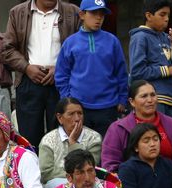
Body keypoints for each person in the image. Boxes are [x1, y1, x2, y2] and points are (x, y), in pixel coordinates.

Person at [1, 0, 80, 150]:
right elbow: (7, 49)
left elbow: (80, 47)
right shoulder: (17, 12)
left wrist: (59, 69)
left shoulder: (72, 12)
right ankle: (31, 170)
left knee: (61, 134)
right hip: (28, 80)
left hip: (61, 83)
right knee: (28, 136)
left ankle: (61, 171)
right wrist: (26, 67)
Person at [54, 0, 128, 139]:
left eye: (102, 14)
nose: (98, 18)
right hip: (79, 107)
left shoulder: (112, 41)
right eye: (94, 13)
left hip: (108, 106)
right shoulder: (70, 42)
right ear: (82, 14)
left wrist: (123, 98)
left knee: (107, 149)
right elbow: (62, 75)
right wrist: (68, 99)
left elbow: (121, 72)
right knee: (80, 149)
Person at [101, 80, 172, 174]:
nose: (150, 100)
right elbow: (110, 164)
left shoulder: (171, 124)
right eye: (144, 96)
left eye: (153, 95)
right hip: (132, 183)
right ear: (132, 102)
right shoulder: (118, 129)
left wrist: (170, 171)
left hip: (171, 180)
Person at [129, 0, 172, 122]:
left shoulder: (167, 38)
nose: (166, 19)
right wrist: (167, 70)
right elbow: (137, 71)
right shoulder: (140, 37)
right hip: (153, 100)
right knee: (156, 138)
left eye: (168, 15)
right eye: (162, 14)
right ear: (148, 16)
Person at [38, 97, 102, 188]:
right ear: (60, 118)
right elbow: (45, 174)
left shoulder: (94, 138)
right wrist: (73, 176)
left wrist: (73, 144)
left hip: (87, 181)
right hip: (57, 184)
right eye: (71, 114)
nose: (77, 118)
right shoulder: (48, 140)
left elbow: (92, 167)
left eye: (80, 113)